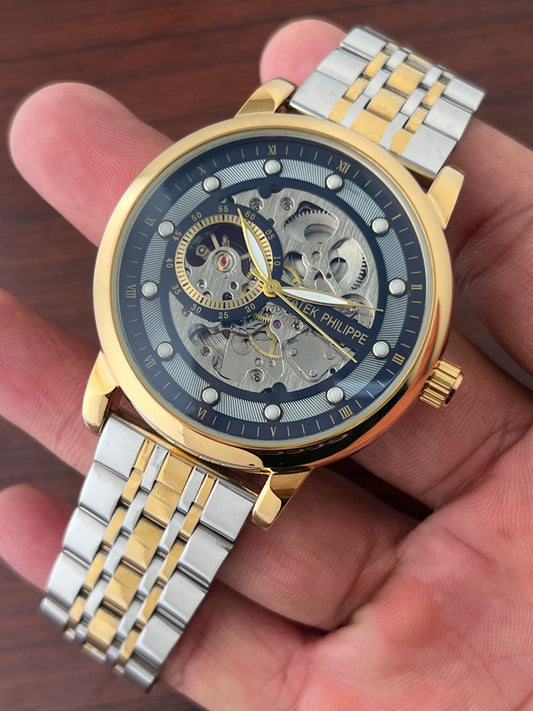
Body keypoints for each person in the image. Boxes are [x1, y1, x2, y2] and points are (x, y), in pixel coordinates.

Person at [1, 17, 532, 710]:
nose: (265, 285)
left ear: (429, 376)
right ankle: (108, 618)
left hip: (237, 420)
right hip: (160, 386)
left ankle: (111, 620)